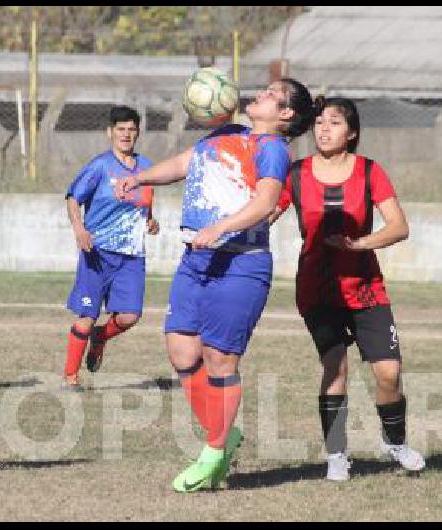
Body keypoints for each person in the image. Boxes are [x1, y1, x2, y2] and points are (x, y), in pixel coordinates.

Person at [116, 78, 315, 492]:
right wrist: (141, 179)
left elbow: (264, 203)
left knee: (219, 359)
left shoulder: (272, 149)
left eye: (271, 93)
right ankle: (223, 436)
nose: (260, 93)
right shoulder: (228, 135)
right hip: (197, 260)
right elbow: (184, 162)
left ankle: (212, 452)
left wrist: (221, 227)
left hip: (240, 265)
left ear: (286, 114)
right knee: (181, 349)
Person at [271, 96, 425, 481]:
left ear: (352, 132)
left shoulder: (370, 172)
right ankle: (337, 455)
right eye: (319, 122)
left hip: (365, 288)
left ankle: (395, 442)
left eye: (335, 122)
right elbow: (266, 212)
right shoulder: (295, 173)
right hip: (317, 289)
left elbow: (398, 226)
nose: (324, 129)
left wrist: (358, 245)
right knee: (334, 367)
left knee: (389, 373)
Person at [62, 105, 160, 391]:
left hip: (132, 256)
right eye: (121, 129)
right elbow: (72, 198)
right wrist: (79, 229)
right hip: (98, 253)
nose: (126, 134)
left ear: (138, 132)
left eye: (131, 129)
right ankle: (70, 378)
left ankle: (101, 337)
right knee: (85, 318)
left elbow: (145, 206)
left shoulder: (147, 168)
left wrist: (152, 222)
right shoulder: (100, 166)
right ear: (110, 132)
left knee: (130, 317)